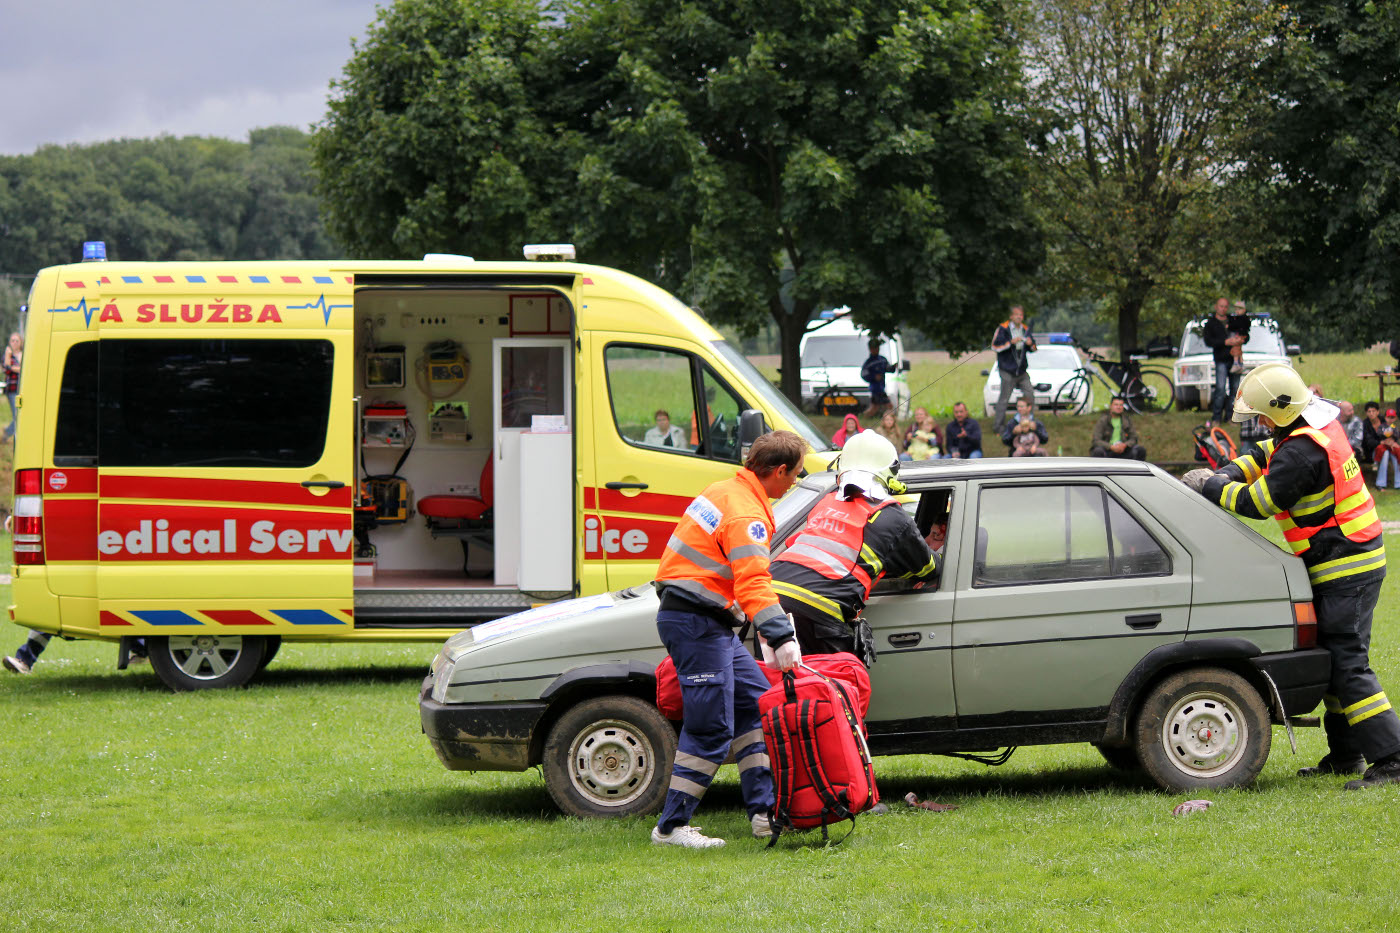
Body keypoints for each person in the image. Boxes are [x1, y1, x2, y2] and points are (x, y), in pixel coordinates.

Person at [1181, 363, 1400, 790]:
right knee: (1337, 660)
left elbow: (1260, 501)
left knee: (1350, 664)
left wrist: (1212, 486)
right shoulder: (1313, 424)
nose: (1259, 422)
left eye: (1262, 414)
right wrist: (1229, 469)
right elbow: (1266, 453)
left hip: (1345, 567)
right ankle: (1345, 755)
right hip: (1348, 560)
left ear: (1278, 411)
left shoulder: (1303, 453)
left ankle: (1392, 758)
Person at [651, 430, 808, 848]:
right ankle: (671, 828)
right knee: (709, 729)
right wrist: (780, 633)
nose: (794, 482)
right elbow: (754, 581)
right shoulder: (747, 515)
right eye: (794, 475)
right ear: (777, 471)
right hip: (697, 624)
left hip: (702, 621)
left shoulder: (723, 490)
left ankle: (763, 813)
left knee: (758, 706)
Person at [771, 432, 939, 666]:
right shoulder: (892, 517)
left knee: (784, 692)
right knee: (833, 693)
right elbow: (929, 569)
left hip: (772, 600)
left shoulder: (827, 501)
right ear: (890, 472)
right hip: (818, 610)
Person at [990, 305, 1037, 429]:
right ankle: (998, 426)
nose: (1019, 317)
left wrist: (1030, 344)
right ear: (1011, 316)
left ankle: (1029, 423)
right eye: (1016, 314)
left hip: (1021, 370)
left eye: (1021, 315)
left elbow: (1034, 348)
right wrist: (1010, 343)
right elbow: (995, 347)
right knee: (1004, 398)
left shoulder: (1026, 329)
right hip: (1007, 370)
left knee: (1030, 395)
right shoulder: (1003, 328)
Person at [1202, 297, 1246, 424]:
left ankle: (1230, 417)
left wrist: (1242, 339)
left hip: (1235, 359)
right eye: (1221, 306)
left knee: (1235, 389)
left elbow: (1244, 332)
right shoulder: (1210, 323)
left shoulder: (1233, 320)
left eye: (1225, 306)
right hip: (1221, 359)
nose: (1223, 308)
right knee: (1220, 389)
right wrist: (1225, 342)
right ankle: (1216, 417)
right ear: (1216, 307)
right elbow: (1208, 341)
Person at [860, 338, 891, 417]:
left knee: (875, 407)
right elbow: (863, 375)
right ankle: (863, 417)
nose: (875, 350)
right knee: (886, 406)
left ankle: (863, 417)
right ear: (870, 349)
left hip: (882, 387)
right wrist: (874, 377)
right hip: (875, 389)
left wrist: (894, 367)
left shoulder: (883, 359)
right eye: (873, 348)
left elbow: (888, 368)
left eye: (877, 348)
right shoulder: (868, 362)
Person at [2, 332, 21, 442]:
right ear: (9, 342)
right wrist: (8, 355)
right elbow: (7, 369)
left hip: (23, 389)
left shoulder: (24, 353)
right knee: (17, 415)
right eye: (12, 340)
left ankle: (8, 432)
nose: (14, 343)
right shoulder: (7, 355)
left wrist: (13, 367)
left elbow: (25, 369)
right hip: (12, 389)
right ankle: (8, 433)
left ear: (20, 342)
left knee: (20, 415)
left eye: (16, 340)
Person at [1375, 409, 1400, 490]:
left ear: (1395, 418)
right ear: (1385, 418)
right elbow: (1379, 434)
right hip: (1384, 446)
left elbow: (1396, 435)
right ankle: (1380, 483)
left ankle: (1398, 483)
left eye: (1392, 417)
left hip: (1392, 447)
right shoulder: (1382, 426)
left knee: (1397, 458)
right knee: (1383, 454)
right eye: (1389, 417)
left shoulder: (1394, 427)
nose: (1390, 419)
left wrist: (1393, 437)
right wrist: (1385, 437)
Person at [1227, 300, 1252, 375]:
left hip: (1240, 335)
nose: (1237, 311)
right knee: (1239, 350)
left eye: (1239, 309)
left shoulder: (1242, 319)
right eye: (1236, 309)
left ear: (1244, 310)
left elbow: (1236, 326)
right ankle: (1241, 364)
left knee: (1236, 348)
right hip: (1241, 335)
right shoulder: (1242, 319)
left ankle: (1236, 363)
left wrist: (1229, 326)